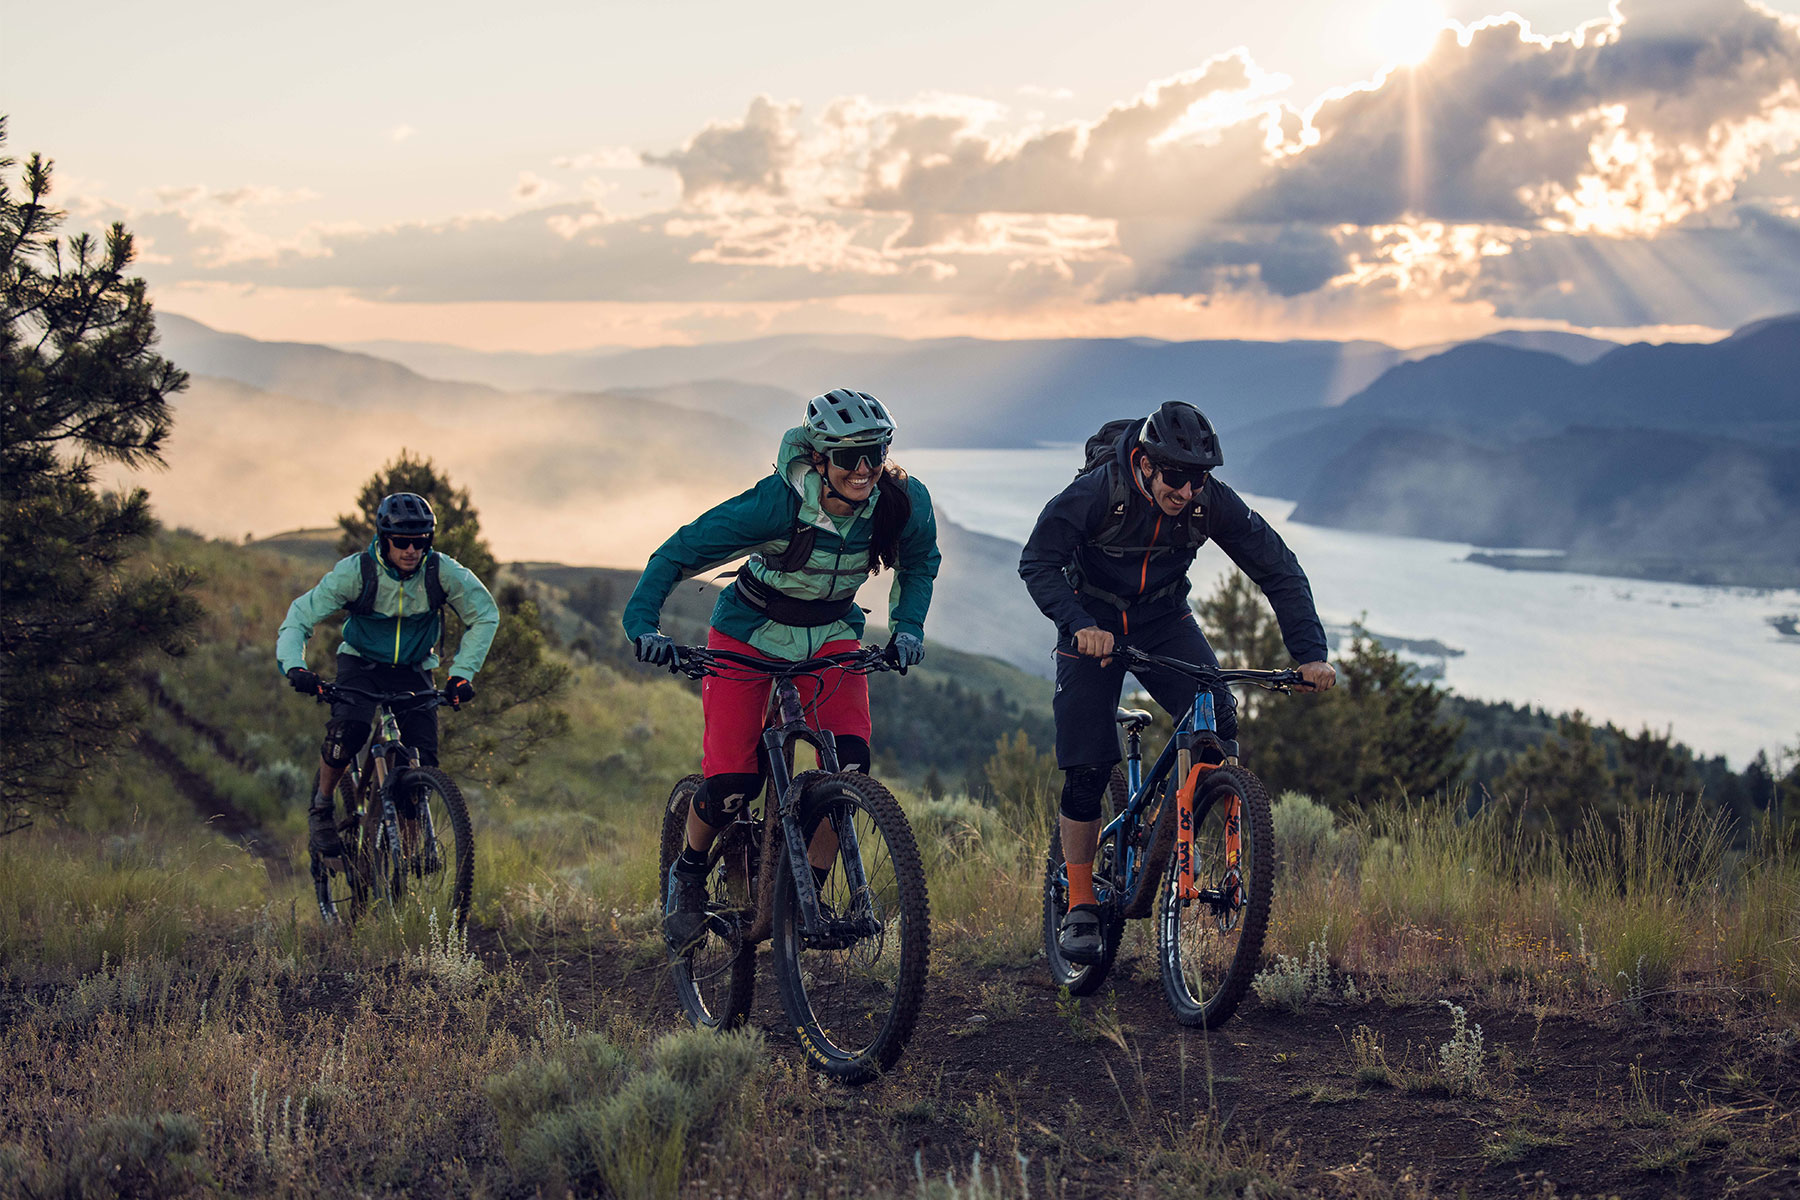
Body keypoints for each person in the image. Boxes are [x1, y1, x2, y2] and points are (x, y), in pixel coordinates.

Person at [1018, 401, 1336, 963]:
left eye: (1199, 479)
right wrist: (1078, 623)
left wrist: (1310, 654)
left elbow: (1278, 568)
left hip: (1162, 619)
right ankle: (1082, 903)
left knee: (1218, 714)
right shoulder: (1097, 493)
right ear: (1145, 463)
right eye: (1176, 477)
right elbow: (1038, 561)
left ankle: (1179, 820)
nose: (1187, 492)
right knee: (1087, 766)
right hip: (1092, 623)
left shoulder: (1207, 502)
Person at [623, 389, 940, 950]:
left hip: (831, 632)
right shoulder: (776, 504)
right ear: (819, 457)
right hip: (749, 632)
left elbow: (919, 563)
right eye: (848, 456)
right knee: (732, 784)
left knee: (850, 766)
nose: (863, 469)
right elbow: (677, 553)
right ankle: (689, 870)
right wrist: (644, 625)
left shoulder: (901, 501)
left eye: (875, 452)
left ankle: (804, 895)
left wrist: (908, 628)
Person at [276, 492, 500, 863]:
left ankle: (405, 861)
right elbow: (301, 615)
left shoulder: (441, 572)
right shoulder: (357, 572)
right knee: (348, 731)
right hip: (361, 665)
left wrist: (461, 674)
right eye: (401, 541)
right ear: (384, 539)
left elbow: (485, 614)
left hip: (414, 669)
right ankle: (322, 806)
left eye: (420, 541)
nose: (411, 550)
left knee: (421, 761)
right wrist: (294, 666)